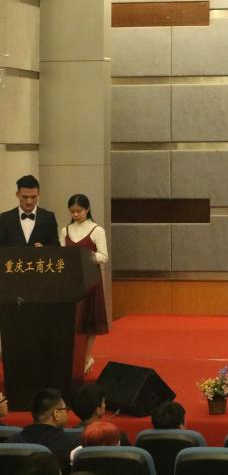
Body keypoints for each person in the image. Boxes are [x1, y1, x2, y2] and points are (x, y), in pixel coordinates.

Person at [59, 194, 109, 375]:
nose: (75, 215)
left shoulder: (97, 230)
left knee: (90, 320)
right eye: (72, 212)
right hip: (71, 281)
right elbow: (62, 255)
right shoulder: (65, 230)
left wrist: (85, 257)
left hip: (90, 280)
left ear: (87, 209)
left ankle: (87, 356)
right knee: (73, 321)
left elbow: (104, 256)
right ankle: (73, 357)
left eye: (79, 211)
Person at [7, 388, 81, 474]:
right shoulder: (73, 444)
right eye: (65, 409)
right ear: (56, 414)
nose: (67, 413)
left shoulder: (11, 442)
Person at [0, 175, 59, 247]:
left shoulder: (48, 217)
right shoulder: (5, 218)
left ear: (39, 194)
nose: (29, 201)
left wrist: (44, 248)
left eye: (33, 197)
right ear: (17, 194)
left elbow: (56, 245)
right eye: (25, 197)